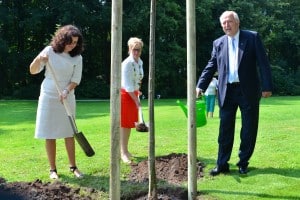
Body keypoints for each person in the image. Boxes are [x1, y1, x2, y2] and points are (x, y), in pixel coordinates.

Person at [196, 11, 273, 176]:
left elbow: (263, 63)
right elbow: (211, 65)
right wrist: (200, 85)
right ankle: (222, 164)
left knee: (248, 129)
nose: (226, 25)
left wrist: (267, 86)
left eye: (229, 22)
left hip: (248, 91)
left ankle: (243, 162)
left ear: (237, 22)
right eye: (223, 23)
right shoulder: (218, 43)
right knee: (224, 130)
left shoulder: (252, 38)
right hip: (226, 91)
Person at [29, 25, 84, 179]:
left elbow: (76, 79)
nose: (72, 45)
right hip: (48, 95)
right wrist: (39, 59)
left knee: (69, 133)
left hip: (67, 96)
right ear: (62, 39)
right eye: (70, 42)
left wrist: (66, 90)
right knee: (50, 133)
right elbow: (33, 70)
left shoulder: (77, 58)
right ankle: (53, 170)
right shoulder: (49, 51)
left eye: (75, 43)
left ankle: (73, 167)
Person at [120, 37, 144, 163]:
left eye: (138, 50)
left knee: (129, 124)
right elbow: (127, 86)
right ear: (129, 49)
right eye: (134, 50)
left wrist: (137, 90)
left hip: (133, 94)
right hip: (125, 95)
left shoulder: (140, 62)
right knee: (125, 125)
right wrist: (136, 100)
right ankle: (123, 152)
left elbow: (137, 80)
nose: (136, 52)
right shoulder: (127, 64)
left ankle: (126, 150)